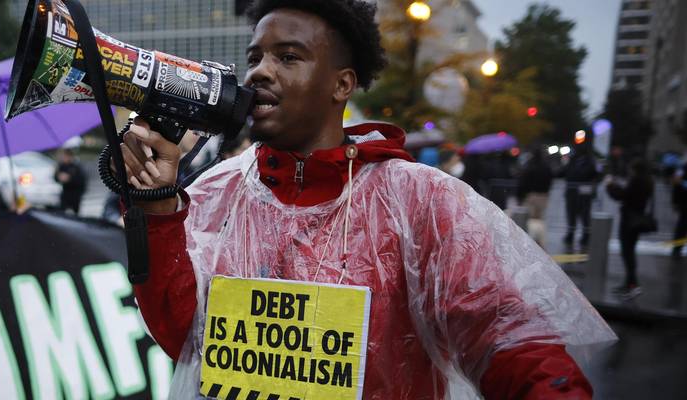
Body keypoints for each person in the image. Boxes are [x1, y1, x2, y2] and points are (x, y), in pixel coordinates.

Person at [117, 1, 613, 398]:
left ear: (342, 83)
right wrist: (158, 210)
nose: (259, 73)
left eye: (288, 57)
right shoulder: (213, 191)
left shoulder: (418, 199)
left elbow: (503, 336)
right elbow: (190, 340)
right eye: (255, 58)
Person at [606, 158, 654, 298]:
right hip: (635, 218)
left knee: (628, 253)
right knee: (629, 252)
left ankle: (632, 285)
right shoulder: (647, 180)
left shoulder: (637, 181)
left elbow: (623, 196)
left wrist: (610, 185)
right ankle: (629, 283)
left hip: (630, 220)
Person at [559, 142, 600, 247]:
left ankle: (586, 235)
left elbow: (591, 174)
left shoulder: (589, 162)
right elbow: (564, 173)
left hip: (584, 192)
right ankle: (571, 233)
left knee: (584, 214)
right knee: (571, 213)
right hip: (572, 192)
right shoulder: (572, 161)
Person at [517, 150, 554, 247]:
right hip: (543, 196)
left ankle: (530, 241)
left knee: (531, 220)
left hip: (531, 195)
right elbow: (550, 179)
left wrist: (520, 196)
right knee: (539, 219)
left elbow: (523, 182)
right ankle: (540, 241)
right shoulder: (546, 167)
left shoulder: (529, 167)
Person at [54, 148, 86, 214]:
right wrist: (58, 177)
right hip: (65, 192)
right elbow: (56, 178)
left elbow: (81, 180)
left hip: (75, 193)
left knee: (75, 212)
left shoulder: (76, 166)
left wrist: (69, 178)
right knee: (62, 211)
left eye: (65, 156)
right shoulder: (61, 166)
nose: (64, 158)